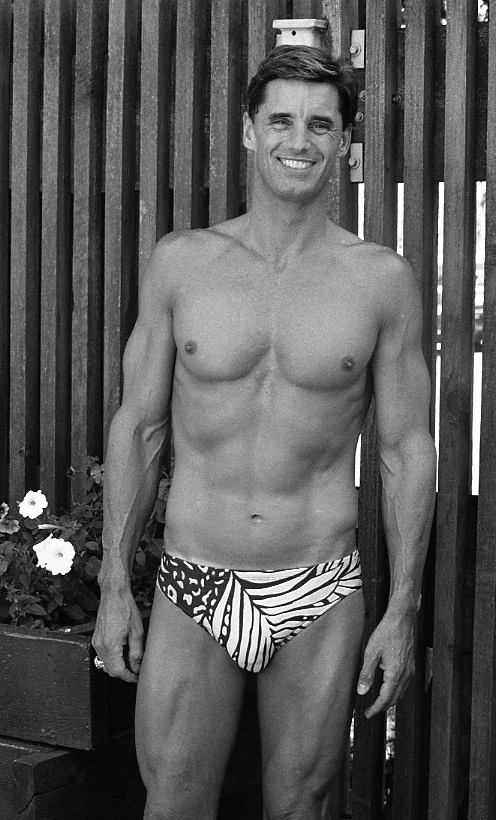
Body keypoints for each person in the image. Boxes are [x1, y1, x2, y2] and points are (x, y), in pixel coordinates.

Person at [92, 45, 437, 820]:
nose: (298, 140)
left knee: (303, 805)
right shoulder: (182, 263)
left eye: (321, 124)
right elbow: (139, 426)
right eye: (280, 119)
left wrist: (403, 607)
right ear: (249, 132)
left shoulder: (380, 279)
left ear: (344, 143)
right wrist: (115, 580)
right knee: (174, 803)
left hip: (316, 582)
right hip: (194, 579)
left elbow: (406, 450)